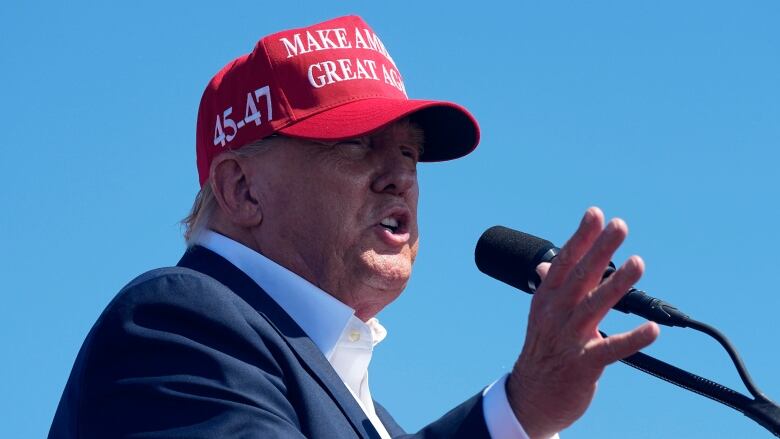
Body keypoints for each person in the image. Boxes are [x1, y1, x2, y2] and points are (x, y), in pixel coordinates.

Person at [49, 15, 659, 439]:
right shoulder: (174, 325)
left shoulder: (376, 422)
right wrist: (515, 412)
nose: (400, 176)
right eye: (356, 145)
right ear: (241, 188)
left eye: (410, 154)